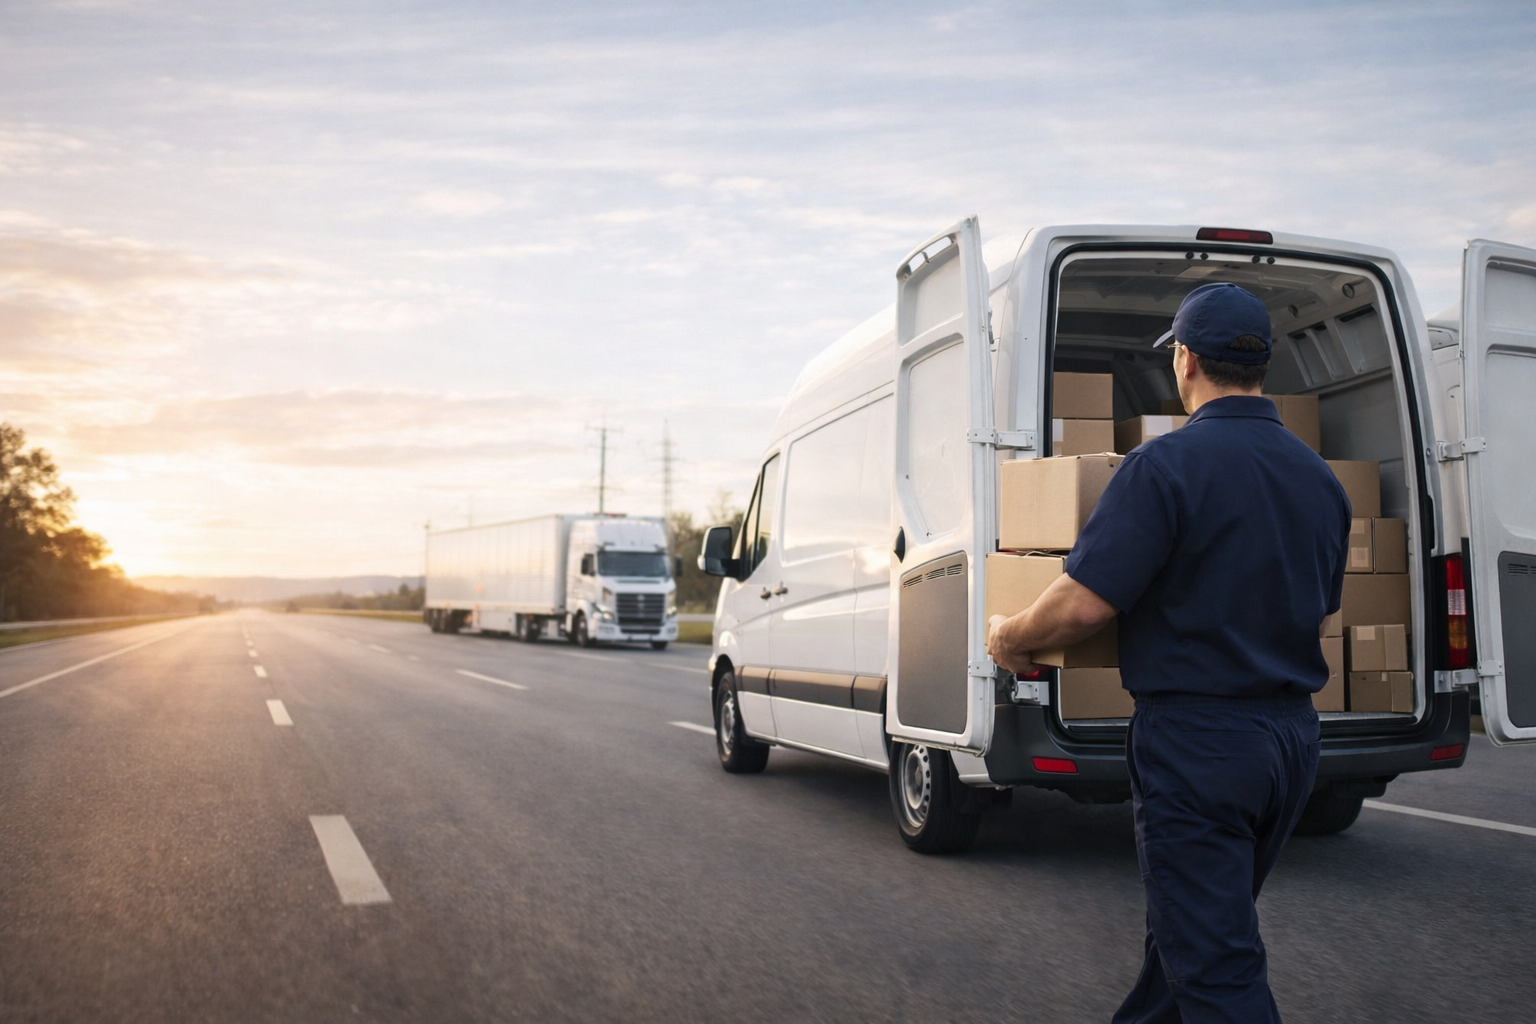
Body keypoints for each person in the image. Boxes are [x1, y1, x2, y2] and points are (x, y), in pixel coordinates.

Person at [987, 281, 1351, 1023]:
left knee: (1214, 966)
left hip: (1199, 744)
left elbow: (1085, 602)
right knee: (1187, 939)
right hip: (1290, 742)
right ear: (1261, 364)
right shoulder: (1320, 480)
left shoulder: (1162, 468)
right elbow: (1326, 614)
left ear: (1185, 359)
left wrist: (1009, 635)